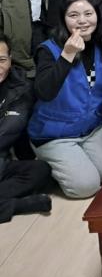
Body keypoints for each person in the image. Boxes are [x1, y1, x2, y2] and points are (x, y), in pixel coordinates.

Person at [28, 0, 102, 198]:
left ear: (97, 16)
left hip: (92, 129)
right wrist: (67, 54)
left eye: (88, 13)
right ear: (63, 19)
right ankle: (45, 165)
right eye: (73, 15)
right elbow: (44, 92)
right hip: (55, 134)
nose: (82, 20)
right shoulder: (49, 49)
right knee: (86, 186)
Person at [0, 33, 52, 223]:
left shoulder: (21, 87)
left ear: (10, 59)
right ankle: (16, 206)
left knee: (40, 170)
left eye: (1, 60)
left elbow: (16, 128)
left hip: (2, 161)